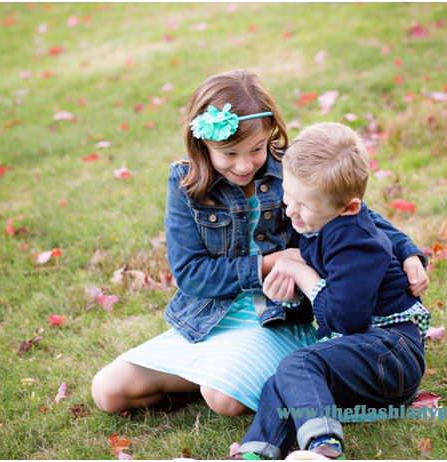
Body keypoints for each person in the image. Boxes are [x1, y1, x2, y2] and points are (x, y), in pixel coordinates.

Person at [90, 70, 429, 417]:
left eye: (256, 148)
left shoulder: (288, 167)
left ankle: (232, 375)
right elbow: (191, 275)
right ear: (203, 145)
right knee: (108, 392)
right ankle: (213, 370)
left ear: (271, 133)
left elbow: (356, 212)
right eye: (229, 152)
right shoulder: (185, 183)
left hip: (275, 319)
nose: (245, 164)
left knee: (222, 398)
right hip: (208, 319)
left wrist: (407, 252)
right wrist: (271, 262)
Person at [232, 122, 431, 460]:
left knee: (299, 364)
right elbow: (378, 223)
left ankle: (323, 447)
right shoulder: (325, 217)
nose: (290, 211)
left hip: (392, 354)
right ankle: (255, 453)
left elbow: (344, 319)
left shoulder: (357, 244)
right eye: (287, 197)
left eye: (303, 205)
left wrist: (301, 272)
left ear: (348, 207)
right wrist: (408, 249)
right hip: (365, 356)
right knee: (279, 382)